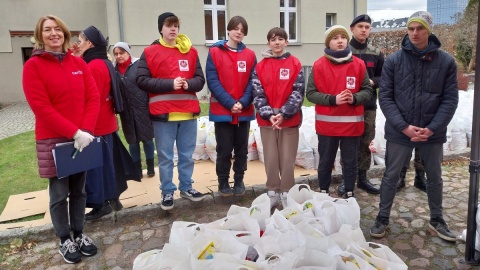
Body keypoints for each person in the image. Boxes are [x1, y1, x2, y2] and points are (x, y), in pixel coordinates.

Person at [370, 11, 459, 242]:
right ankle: (382, 217)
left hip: (432, 132)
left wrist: (432, 128)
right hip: (400, 132)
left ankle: (437, 220)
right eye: (411, 29)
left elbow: (449, 99)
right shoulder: (393, 61)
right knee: (391, 175)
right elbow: (386, 97)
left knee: (435, 177)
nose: (415, 33)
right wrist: (404, 127)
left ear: (428, 31)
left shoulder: (446, 62)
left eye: (420, 28)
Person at [22, 15, 99, 264]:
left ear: (65, 34)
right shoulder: (33, 67)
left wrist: (85, 131)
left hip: (82, 138)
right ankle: (64, 238)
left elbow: (93, 98)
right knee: (58, 194)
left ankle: (79, 232)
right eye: (47, 30)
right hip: (55, 140)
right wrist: (74, 133)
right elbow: (41, 107)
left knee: (80, 191)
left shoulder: (78, 63)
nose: (53, 33)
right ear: (39, 35)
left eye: (58, 29)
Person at [136, 12, 206, 210]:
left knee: (186, 155)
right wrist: (170, 83)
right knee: (166, 157)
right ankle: (167, 191)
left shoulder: (190, 52)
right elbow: (141, 80)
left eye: (176, 25)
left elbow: (200, 80)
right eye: (169, 25)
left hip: (188, 113)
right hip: (163, 115)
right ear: (161, 29)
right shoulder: (150, 52)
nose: (173, 29)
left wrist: (188, 84)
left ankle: (186, 187)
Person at [306, 25, 372, 199]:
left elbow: (368, 90)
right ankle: (323, 191)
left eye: (343, 37)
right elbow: (311, 93)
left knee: (350, 162)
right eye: (335, 38)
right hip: (327, 126)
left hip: (352, 126)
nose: (340, 40)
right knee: (326, 162)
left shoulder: (358, 65)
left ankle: (349, 191)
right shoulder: (319, 65)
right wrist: (332, 100)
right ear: (329, 42)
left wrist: (355, 98)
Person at [252, 27, 305, 208]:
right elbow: (257, 93)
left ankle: (287, 191)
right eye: (273, 39)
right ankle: (272, 189)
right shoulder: (260, 66)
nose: (277, 42)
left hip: (289, 121)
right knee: (271, 158)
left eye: (280, 39)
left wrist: (284, 113)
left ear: (286, 42)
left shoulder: (295, 64)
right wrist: (269, 114)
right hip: (267, 122)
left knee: (287, 159)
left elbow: (298, 92)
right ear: (268, 43)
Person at [206, 16, 257, 197]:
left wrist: (242, 103)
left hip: (243, 112)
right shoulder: (214, 52)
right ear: (228, 30)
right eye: (236, 28)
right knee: (224, 149)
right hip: (223, 111)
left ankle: (239, 180)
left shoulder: (250, 55)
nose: (239, 32)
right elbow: (213, 81)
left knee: (242, 149)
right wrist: (230, 103)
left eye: (242, 30)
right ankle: (222, 181)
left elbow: (253, 83)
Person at [76, 26, 123, 220]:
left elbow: (89, 97)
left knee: (96, 168)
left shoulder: (93, 65)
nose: (77, 44)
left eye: (80, 41)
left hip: (97, 125)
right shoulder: (103, 61)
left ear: (90, 43)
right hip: (105, 123)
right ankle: (113, 199)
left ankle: (101, 204)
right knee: (108, 165)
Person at [337, 14, 384, 196]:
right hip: (347, 106)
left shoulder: (376, 52)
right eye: (360, 26)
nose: (364, 30)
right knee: (348, 143)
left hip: (368, 106)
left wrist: (372, 82)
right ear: (352, 29)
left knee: (365, 142)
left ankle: (363, 178)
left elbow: (384, 76)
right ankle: (346, 178)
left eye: (367, 27)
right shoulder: (343, 51)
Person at [113, 42, 156, 179]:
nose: (119, 56)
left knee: (147, 139)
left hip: (142, 107)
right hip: (126, 112)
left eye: (121, 53)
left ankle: (150, 168)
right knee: (132, 141)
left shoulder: (138, 65)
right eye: (116, 54)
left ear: (128, 53)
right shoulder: (114, 70)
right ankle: (136, 170)